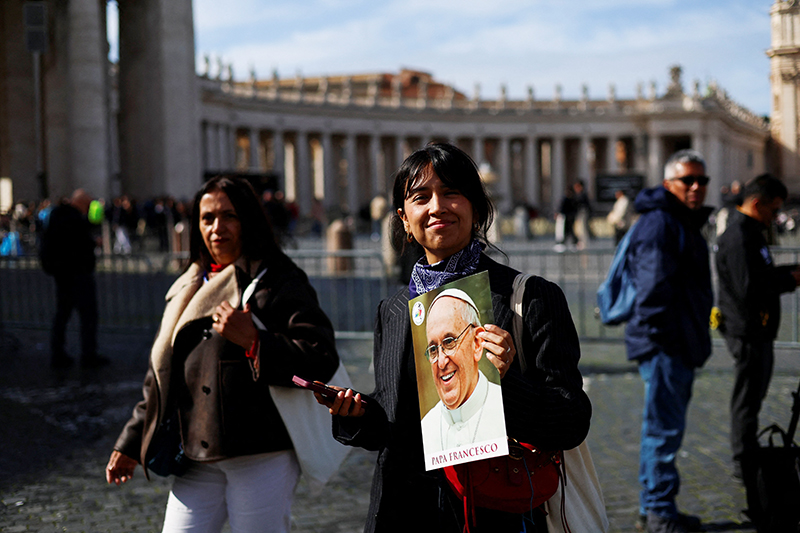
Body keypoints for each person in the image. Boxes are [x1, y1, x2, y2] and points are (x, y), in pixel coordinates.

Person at [315, 143, 591, 533]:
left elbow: (572, 420)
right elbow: (396, 421)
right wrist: (357, 415)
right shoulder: (394, 310)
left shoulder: (531, 298)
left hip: (498, 511)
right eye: (420, 197)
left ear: (476, 208)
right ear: (404, 220)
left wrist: (502, 383)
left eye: (451, 193)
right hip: (405, 510)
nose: (436, 207)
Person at [105, 176, 339, 533]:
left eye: (228, 216)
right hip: (196, 454)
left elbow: (320, 356)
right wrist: (132, 441)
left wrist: (257, 341)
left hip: (261, 452)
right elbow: (162, 375)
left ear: (248, 219)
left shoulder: (279, 279)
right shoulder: (188, 284)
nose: (217, 228)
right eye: (207, 218)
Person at [625, 149, 712, 533]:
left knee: (660, 429)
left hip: (675, 340)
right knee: (663, 432)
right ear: (667, 184)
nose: (696, 187)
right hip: (667, 344)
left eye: (702, 180)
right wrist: (671, 339)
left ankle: (655, 507)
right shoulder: (662, 223)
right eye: (687, 180)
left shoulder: (675, 220)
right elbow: (651, 292)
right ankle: (660, 513)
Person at [715, 175, 800, 496]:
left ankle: (748, 451)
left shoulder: (752, 232)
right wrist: (789, 279)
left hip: (758, 329)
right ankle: (743, 458)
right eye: (773, 209)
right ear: (756, 203)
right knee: (747, 398)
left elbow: (761, 274)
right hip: (747, 330)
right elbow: (749, 288)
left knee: (754, 394)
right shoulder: (738, 237)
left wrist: (790, 271)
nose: (775, 217)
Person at [420, 288, 506, 456]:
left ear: (477, 343)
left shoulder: (503, 407)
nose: (442, 362)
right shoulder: (427, 426)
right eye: (432, 350)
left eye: (449, 342)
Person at [40, 189, 107, 368]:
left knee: (63, 313)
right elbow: (79, 245)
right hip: (78, 273)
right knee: (87, 316)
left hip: (62, 274)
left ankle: (58, 352)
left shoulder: (57, 216)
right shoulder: (74, 220)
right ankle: (88, 354)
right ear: (83, 204)